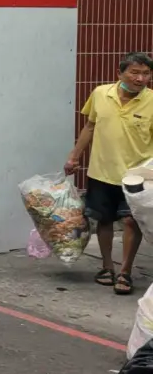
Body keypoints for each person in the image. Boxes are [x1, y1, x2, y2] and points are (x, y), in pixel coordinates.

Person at [65, 51, 153, 295]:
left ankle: (124, 271)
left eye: (146, 74)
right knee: (103, 220)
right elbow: (90, 127)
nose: (141, 78)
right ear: (120, 73)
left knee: (130, 221)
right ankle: (106, 266)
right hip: (101, 170)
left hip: (137, 177)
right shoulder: (101, 94)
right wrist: (74, 156)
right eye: (135, 72)